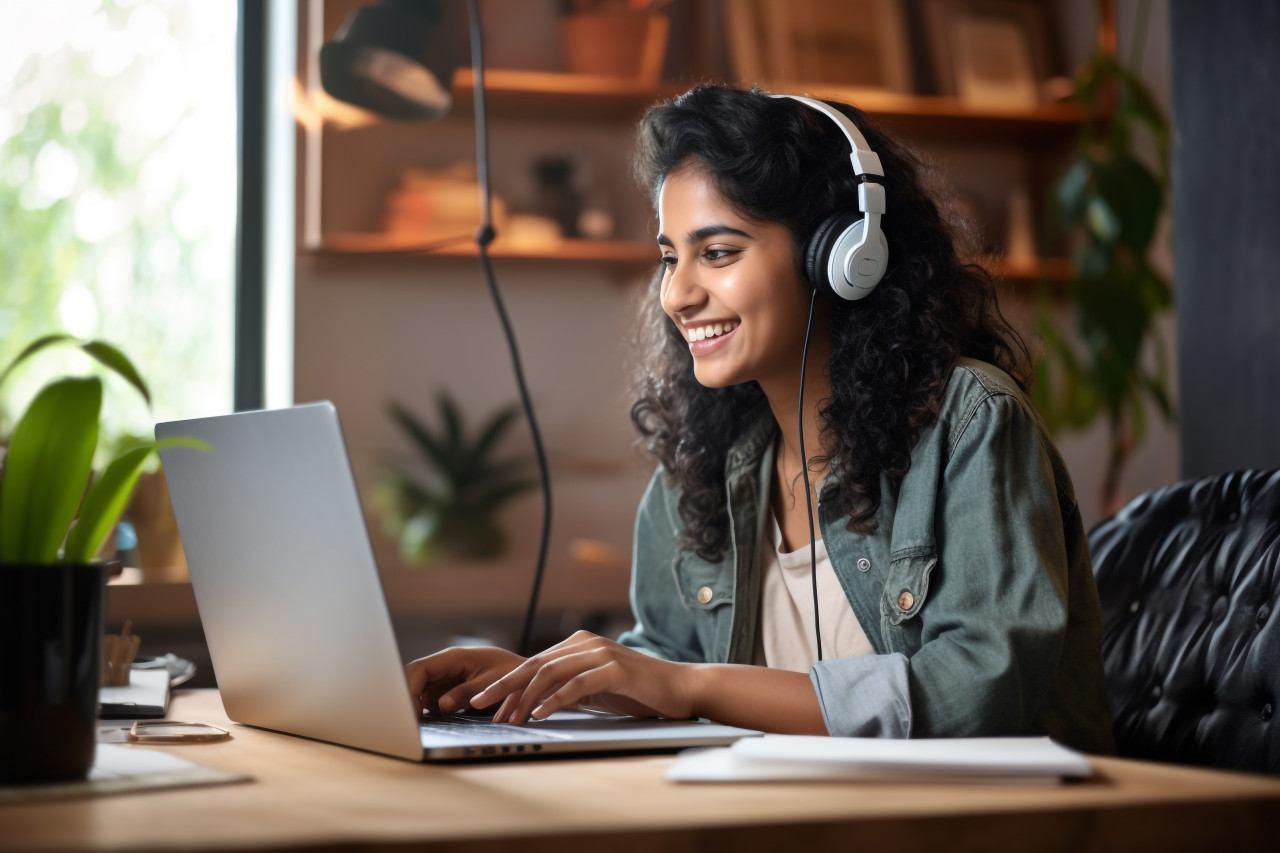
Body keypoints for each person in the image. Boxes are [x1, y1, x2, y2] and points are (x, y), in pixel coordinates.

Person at [406, 85, 1115, 753]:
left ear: (842, 259)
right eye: (668, 257)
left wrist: (692, 685)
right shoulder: (711, 464)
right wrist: (543, 680)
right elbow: (669, 662)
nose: (677, 293)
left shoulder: (970, 422)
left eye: (717, 252)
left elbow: (980, 689)